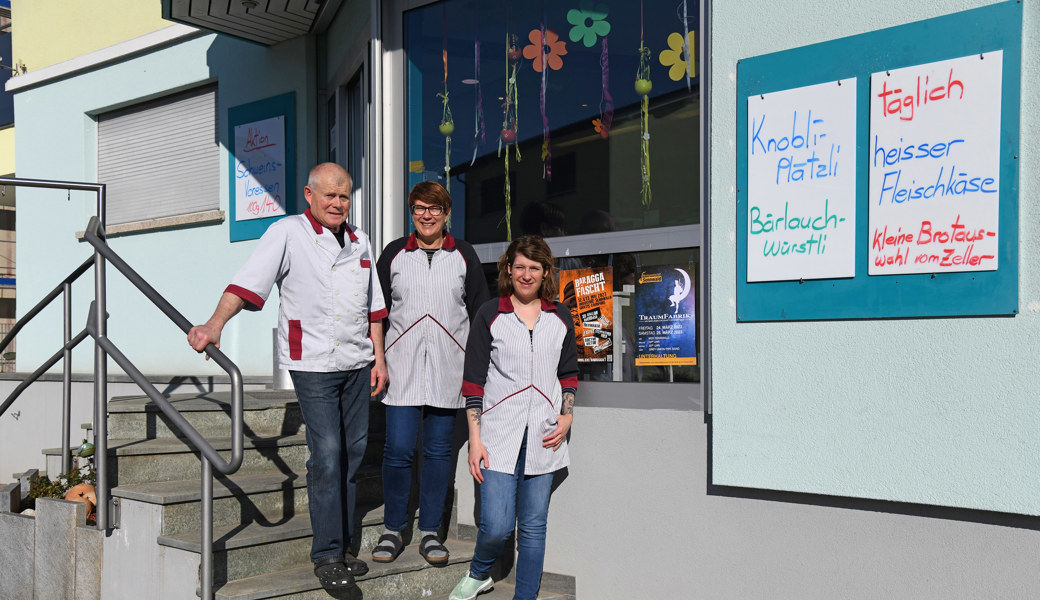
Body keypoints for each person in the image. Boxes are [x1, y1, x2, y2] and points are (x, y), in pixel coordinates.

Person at [187, 163, 387, 592]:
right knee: (328, 454)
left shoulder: (360, 241)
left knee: (353, 455)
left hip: (356, 361)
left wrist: (380, 360)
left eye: (345, 196)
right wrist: (214, 324)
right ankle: (328, 554)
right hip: (312, 360)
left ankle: (346, 548)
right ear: (308, 195)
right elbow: (247, 284)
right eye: (329, 195)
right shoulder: (287, 232)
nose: (337, 203)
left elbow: (374, 309)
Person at [449, 235, 578, 600]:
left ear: (545, 273)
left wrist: (567, 417)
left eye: (534, 268)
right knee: (497, 526)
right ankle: (478, 573)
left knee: (534, 527)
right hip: (497, 434)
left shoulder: (560, 317)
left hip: (545, 433)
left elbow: (568, 374)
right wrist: (475, 440)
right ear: (508, 269)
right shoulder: (491, 314)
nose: (526, 275)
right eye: (519, 266)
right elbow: (473, 383)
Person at [372, 181, 488, 565]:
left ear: (446, 213)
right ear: (411, 212)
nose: (426, 215)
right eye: (420, 208)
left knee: (439, 454)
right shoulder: (393, 255)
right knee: (399, 450)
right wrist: (379, 360)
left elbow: (480, 315)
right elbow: (377, 313)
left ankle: (430, 533)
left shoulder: (464, 255)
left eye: (434, 208)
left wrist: (478, 369)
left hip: (448, 371)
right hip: (401, 370)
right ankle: (393, 529)